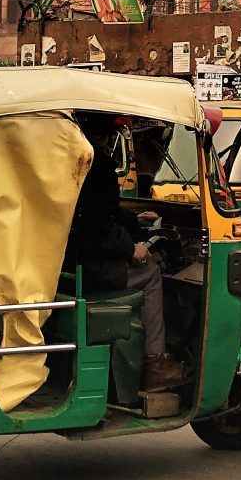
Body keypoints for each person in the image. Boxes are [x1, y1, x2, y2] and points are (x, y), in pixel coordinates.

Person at [72, 116, 188, 391]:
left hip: (73, 261)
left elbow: (104, 212)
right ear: (102, 137)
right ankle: (156, 363)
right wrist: (130, 248)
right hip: (89, 267)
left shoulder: (75, 163)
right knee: (150, 273)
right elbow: (97, 226)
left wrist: (134, 221)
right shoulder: (95, 168)